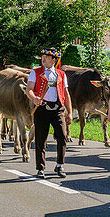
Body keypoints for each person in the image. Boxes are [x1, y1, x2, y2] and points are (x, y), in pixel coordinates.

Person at [25, 48, 72, 178]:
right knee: (41, 139)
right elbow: (28, 89)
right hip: (41, 109)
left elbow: (66, 93)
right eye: (43, 56)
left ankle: (60, 165)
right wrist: (34, 98)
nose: (43, 58)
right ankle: (41, 168)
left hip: (57, 109)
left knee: (62, 136)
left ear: (54, 60)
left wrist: (69, 112)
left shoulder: (61, 74)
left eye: (47, 57)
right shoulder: (35, 73)